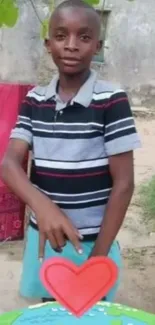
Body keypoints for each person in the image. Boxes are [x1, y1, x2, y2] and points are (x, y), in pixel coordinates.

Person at [1, 0, 141, 302]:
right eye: (62, 36)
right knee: (51, 310)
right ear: (48, 43)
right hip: (47, 239)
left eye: (84, 37)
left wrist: (99, 258)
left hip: (94, 241)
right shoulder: (34, 100)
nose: (72, 45)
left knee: (90, 312)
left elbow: (124, 184)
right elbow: (9, 164)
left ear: (98, 45)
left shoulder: (111, 100)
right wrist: (44, 207)